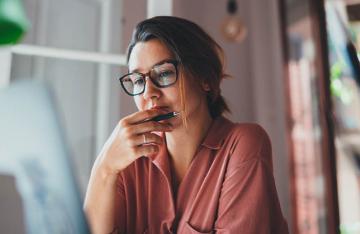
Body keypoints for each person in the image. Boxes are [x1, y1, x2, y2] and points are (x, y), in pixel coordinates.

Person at [84, 16, 289, 234]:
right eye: (138, 80)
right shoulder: (127, 164)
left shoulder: (243, 143)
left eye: (163, 74)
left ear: (205, 79)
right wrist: (104, 167)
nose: (148, 93)